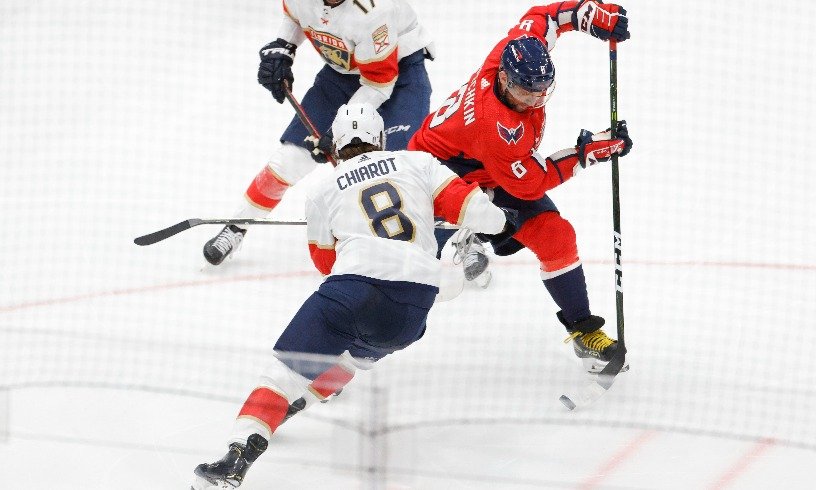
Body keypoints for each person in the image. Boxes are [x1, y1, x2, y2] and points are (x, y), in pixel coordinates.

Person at [191, 103, 513, 489]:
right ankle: (304, 399)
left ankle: (237, 454)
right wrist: (495, 221)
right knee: (355, 357)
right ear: (380, 138)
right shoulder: (417, 163)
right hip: (412, 311)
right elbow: (484, 216)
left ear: (337, 145)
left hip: (352, 290)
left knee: (285, 371)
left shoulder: (324, 189)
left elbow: (325, 262)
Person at [407, 0, 633, 373]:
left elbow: (546, 16)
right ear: (505, 80)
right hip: (436, 174)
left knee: (556, 237)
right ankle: (343, 350)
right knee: (411, 274)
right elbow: (530, 183)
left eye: (543, 90)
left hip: (487, 168)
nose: (536, 99)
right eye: (527, 93)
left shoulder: (515, 50)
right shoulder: (498, 127)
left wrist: (589, 15)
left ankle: (582, 331)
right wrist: (587, 153)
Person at [203, 0, 490, 278]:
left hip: (398, 78)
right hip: (341, 77)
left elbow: (379, 83)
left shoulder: (374, 10)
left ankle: (464, 232)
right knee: (289, 161)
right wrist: (284, 47)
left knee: (404, 170)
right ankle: (238, 225)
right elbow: (295, 16)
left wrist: (337, 133)